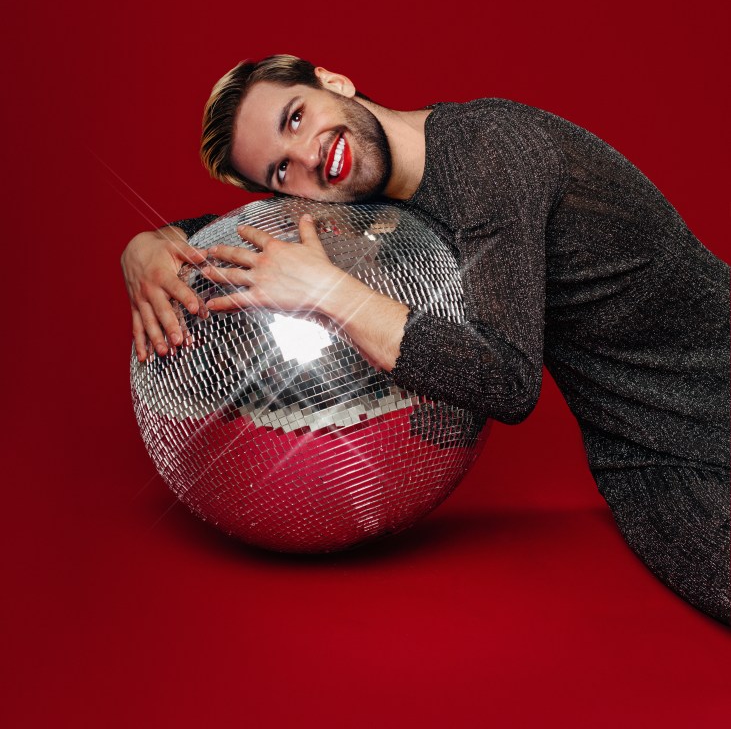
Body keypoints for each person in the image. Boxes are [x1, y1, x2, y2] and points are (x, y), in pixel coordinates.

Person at [121, 55, 730, 624]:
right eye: (281, 170)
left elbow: (507, 380)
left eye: (296, 117)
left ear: (333, 82)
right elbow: (247, 234)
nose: (308, 154)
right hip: (651, 455)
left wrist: (331, 293)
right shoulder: (390, 204)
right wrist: (149, 245)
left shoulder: (488, 152)